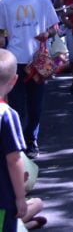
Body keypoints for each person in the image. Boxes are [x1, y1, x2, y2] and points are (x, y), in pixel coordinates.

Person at [0, 0, 59, 160]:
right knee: (17, 106)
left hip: (38, 61)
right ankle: (19, 144)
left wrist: (46, 33)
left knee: (36, 106)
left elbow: (55, 27)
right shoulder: (5, 2)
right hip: (14, 61)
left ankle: (31, 138)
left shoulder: (42, 1)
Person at [1, 49, 28, 231]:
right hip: (2, 196)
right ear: (14, 80)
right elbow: (14, 160)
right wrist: (20, 196)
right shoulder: (7, 115)